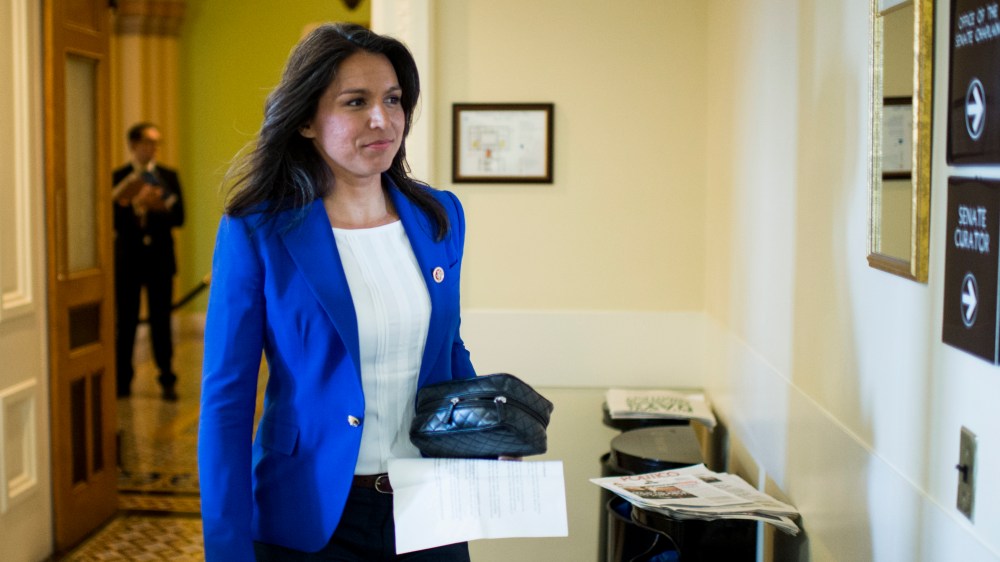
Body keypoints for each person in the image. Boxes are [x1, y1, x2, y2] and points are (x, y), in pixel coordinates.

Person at [198, 23, 476, 561]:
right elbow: (226, 402)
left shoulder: (439, 217)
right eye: (356, 102)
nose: (383, 119)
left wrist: (488, 433)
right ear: (305, 119)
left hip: (428, 509)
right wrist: (227, 549)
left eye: (393, 100)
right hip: (308, 516)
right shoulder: (258, 230)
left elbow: (449, 350)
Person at [112, 122, 185, 401]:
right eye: (146, 142)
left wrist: (155, 208)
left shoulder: (168, 176)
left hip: (159, 259)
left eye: (156, 142)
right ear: (132, 145)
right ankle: (122, 379)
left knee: (161, 320)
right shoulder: (119, 176)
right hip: (129, 259)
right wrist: (134, 205)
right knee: (126, 319)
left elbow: (179, 217)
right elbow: (111, 219)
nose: (152, 147)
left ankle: (166, 376)